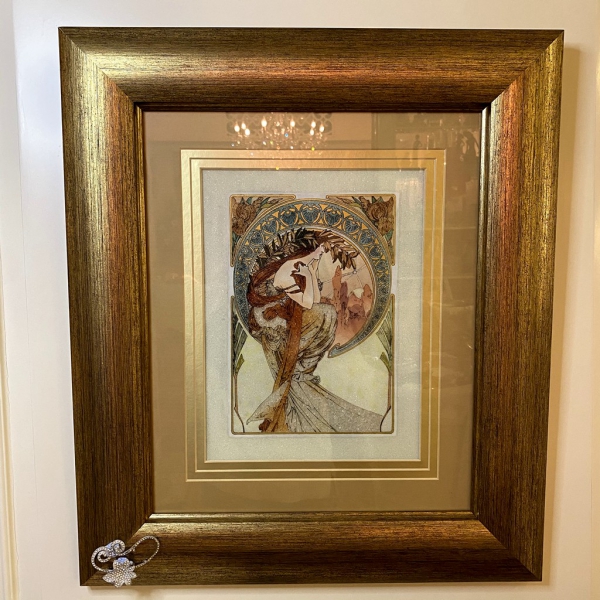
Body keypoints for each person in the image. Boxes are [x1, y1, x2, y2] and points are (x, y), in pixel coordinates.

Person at [246, 227, 383, 433]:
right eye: (319, 252)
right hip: (274, 322)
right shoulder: (287, 271)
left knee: (327, 313)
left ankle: (303, 368)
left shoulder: (301, 267)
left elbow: (314, 300)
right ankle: (300, 370)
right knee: (326, 313)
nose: (320, 256)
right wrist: (310, 272)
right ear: (308, 251)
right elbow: (309, 303)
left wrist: (311, 271)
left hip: (290, 316)